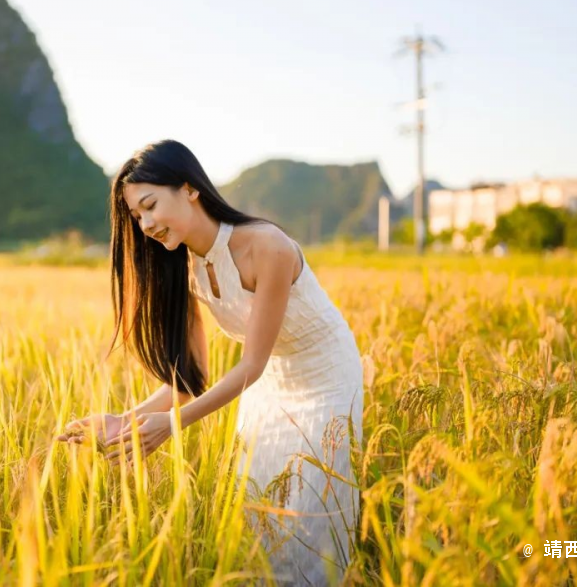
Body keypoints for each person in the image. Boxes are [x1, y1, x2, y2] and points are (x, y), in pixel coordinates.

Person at [56, 139, 364, 585]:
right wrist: (124, 421)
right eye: (136, 217)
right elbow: (188, 383)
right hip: (270, 383)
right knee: (260, 508)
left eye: (149, 205)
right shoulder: (185, 268)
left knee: (311, 509)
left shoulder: (267, 247)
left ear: (189, 189)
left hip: (325, 376)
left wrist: (173, 426)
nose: (144, 225)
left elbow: (250, 364)